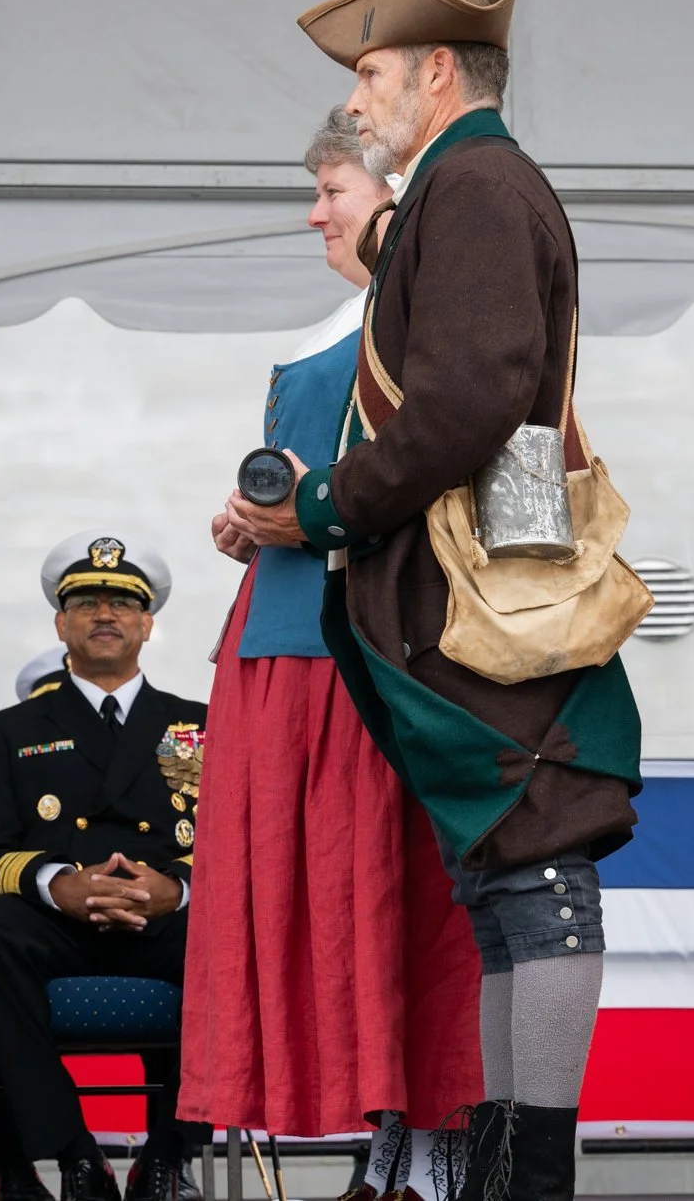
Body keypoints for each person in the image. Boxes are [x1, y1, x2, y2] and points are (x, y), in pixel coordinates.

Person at [228, 0, 644, 1200]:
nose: (356, 104)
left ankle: (534, 1182)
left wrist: (321, 502)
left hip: (490, 597)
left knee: (539, 871)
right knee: (507, 885)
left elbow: (467, 396)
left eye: (368, 76)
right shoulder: (466, 185)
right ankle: (515, 1178)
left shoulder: (468, 182)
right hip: (478, 584)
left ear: (437, 73)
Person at [181, 111, 482, 1201]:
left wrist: (309, 512)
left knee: (401, 901)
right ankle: (387, 1143)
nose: (314, 212)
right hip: (286, 640)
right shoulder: (336, 326)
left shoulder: (428, 331)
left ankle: (430, 1152)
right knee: (338, 908)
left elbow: (427, 482)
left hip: (375, 646)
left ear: (392, 202)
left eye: (333, 192)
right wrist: (251, 520)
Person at [0, 534, 208, 1201]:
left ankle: (169, 1157)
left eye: (123, 604)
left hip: (164, 922)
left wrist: (175, 888)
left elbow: (243, 845)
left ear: (148, 623)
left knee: (233, 941)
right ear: (61, 623)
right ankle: (72, 1151)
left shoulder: (204, 724)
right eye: (87, 603)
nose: (105, 615)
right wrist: (58, 884)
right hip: (55, 926)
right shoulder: (11, 729)